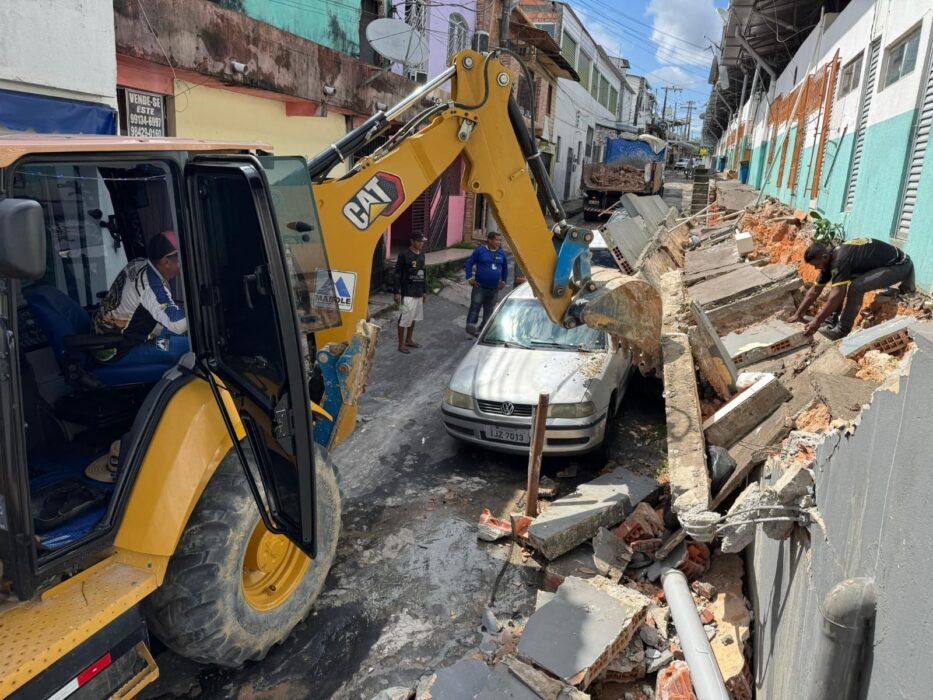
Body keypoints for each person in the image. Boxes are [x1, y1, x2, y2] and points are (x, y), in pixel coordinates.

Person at [92, 230, 189, 366]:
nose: (183, 262)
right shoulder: (150, 287)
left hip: (106, 334)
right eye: (180, 258)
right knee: (187, 346)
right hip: (118, 350)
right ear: (166, 262)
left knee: (182, 337)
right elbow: (177, 324)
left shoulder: (139, 263)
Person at [789, 238, 915, 340]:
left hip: (900, 266)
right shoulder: (830, 259)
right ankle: (831, 321)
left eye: (816, 264)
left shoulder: (840, 259)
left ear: (824, 257)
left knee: (856, 287)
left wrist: (817, 321)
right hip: (887, 264)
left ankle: (842, 330)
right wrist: (798, 314)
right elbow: (815, 290)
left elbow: (838, 294)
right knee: (838, 282)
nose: (816, 268)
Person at [464, 231, 508, 336]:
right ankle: (470, 329)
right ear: (489, 240)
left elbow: (505, 268)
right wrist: (469, 277)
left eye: (500, 240)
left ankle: (483, 329)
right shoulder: (480, 251)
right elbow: (469, 263)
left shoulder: (501, 253)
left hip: (494, 288)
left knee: (489, 310)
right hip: (480, 287)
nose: (499, 242)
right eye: (497, 240)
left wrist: (503, 281)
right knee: (475, 307)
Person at [394, 231, 427, 353]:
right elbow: (397, 274)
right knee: (404, 317)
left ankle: (409, 339)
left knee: (414, 317)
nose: (421, 244)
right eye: (418, 241)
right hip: (407, 291)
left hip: (418, 290)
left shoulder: (422, 255)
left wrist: (424, 291)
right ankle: (401, 344)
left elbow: (423, 273)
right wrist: (396, 292)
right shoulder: (404, 254)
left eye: (422, 241)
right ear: (412, 241)